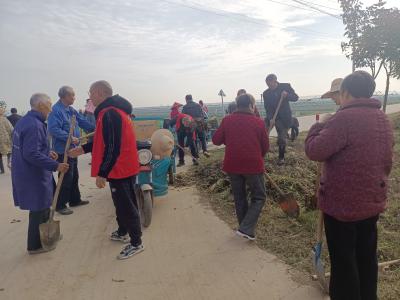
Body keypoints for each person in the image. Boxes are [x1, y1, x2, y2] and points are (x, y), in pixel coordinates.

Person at [305, 71, 394, 300]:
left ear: (345, 92)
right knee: (366, 258)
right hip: (372, 201)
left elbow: (314, 150)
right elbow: (387, 162)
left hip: (342, 206)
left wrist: (318, 126)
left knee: (344, 262)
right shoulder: (382, 118)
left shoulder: (343, 118)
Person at [68, 80, 144, 260]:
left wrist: (103, 172)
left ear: (101, 93)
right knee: (120, 201)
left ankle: (136, 242)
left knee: (126, 204)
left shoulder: (110, 113)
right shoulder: (111, 112)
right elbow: (104, 139)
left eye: (91, 93)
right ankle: (123, 231)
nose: (90, 97)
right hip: (123, 165)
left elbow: (112, 146)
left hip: (120, 167)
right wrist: (84, 149)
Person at [11, 93, 69, 254]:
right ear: (41, 106)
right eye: (49, 105)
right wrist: (55, 165)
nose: (51, 109)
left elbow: (30, 148)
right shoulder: (34, 125)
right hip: (33, 175)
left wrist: (47, 152)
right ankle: (34, 245)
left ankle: (46, 235)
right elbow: (31, 154)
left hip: (29, 172)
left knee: (44, 205)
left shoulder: (26, 121)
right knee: (38, 208)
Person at [212, 93, 269, 241]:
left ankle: (244, 228)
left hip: (232, 165)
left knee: (239, 197)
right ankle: (245, 228)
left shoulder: (227, 120)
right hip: (253, 165)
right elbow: (265, 147)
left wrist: (229, 138)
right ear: (251, 105)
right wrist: (257, 156)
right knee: (259, 196)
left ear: (237, 105)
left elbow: (216, 140)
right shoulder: (259, 123)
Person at [48, 86, 95, 215]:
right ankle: (60, 204)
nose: (74, 98)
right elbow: (53, 129)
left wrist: (96, 129)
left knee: (74, 175)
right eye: (72, 95)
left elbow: (83, 122)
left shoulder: (71, 110)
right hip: (62, 150)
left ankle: (75, 199)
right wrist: (69, 137)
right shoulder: (55, 111)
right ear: (65, 96)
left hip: (72, 148)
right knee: (66, 176)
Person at [263, 74, 299, 165]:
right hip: (273, 116)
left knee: (281, 137)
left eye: (270, 85)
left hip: (284, 117)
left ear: (275, 81)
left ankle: (281, 158)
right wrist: (271, 118)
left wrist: (287, 95)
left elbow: (295, 97)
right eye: (267, 85)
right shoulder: (266, 93)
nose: (269, 87)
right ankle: (262, 152)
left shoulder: (285, 86)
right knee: (262, 129)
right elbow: (267, 107)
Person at [0, 101, 13, 173]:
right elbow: (11, 129)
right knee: (8, 152)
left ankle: (2, 169)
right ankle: (9, 163)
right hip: (6, 139)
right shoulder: (5, 119)